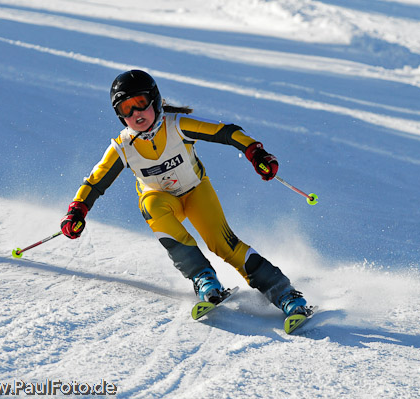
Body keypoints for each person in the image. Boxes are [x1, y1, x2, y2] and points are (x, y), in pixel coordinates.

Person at [60, 69, 310, 318]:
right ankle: (204, 278)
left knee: (225, 246)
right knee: (150, 206)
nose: (136, 114)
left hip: (196, 193)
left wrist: (256, 153)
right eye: (126, 109)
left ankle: (285, 294)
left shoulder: (177, 126)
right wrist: (77, 211)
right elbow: (94, 183)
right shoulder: (123, 147)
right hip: (161, 199)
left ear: (155, 100)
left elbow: (226, 132)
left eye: (140, 103)